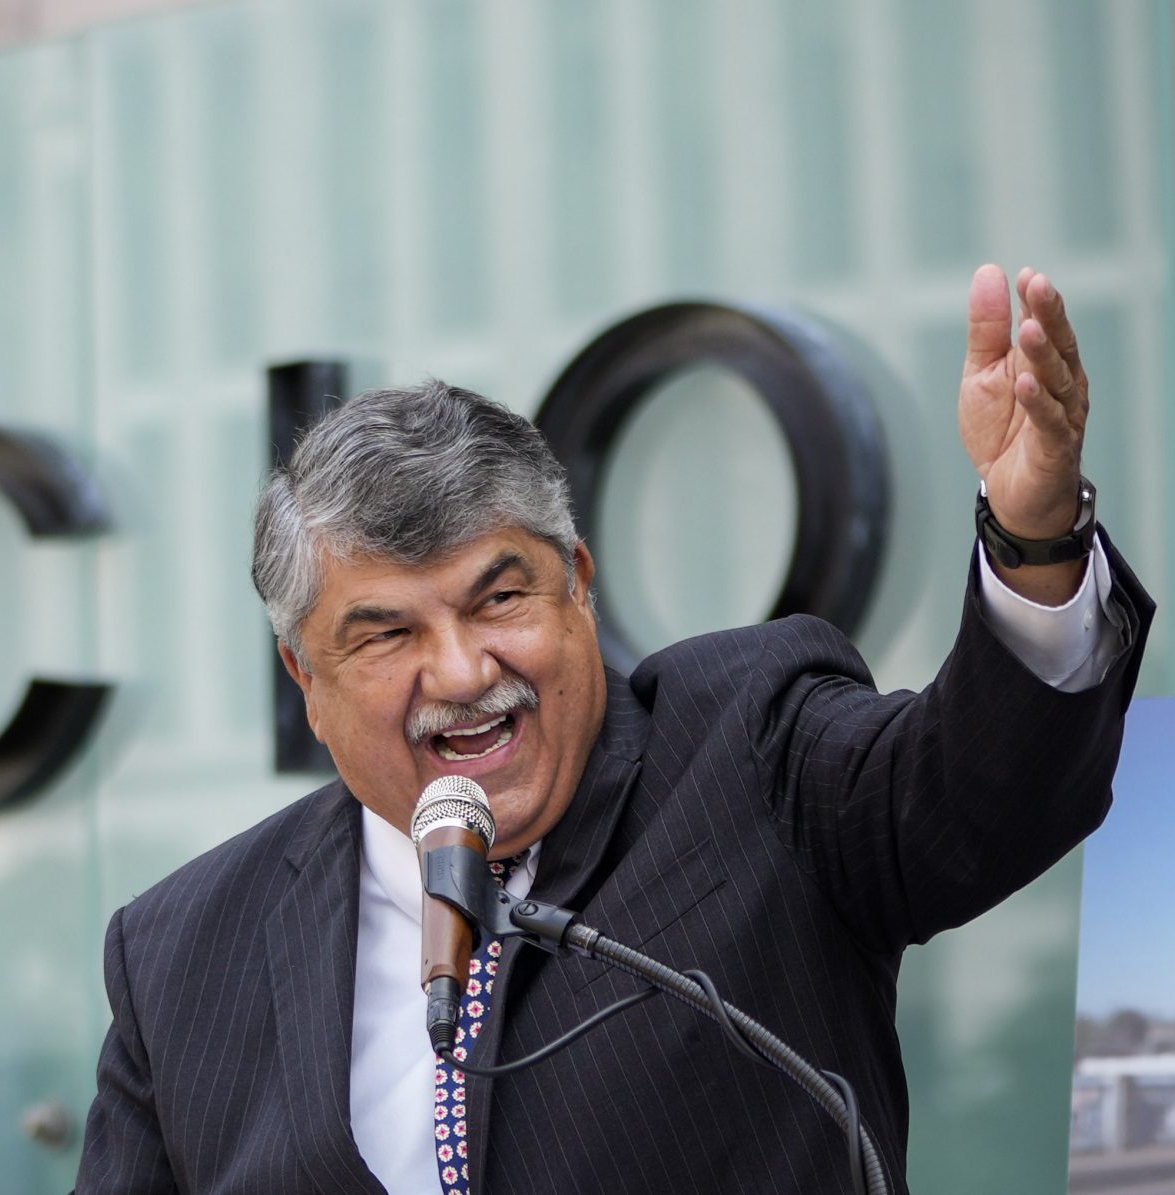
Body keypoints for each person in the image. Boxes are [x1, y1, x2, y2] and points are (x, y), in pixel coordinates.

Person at [74, 266, 1153, 1195]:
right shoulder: (179, 954)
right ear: (304, 679)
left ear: (578, 589)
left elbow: (978, 797)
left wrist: (1030, 541)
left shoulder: (749, 744)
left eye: (499, 600)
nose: (460, 671)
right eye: (387, 634)